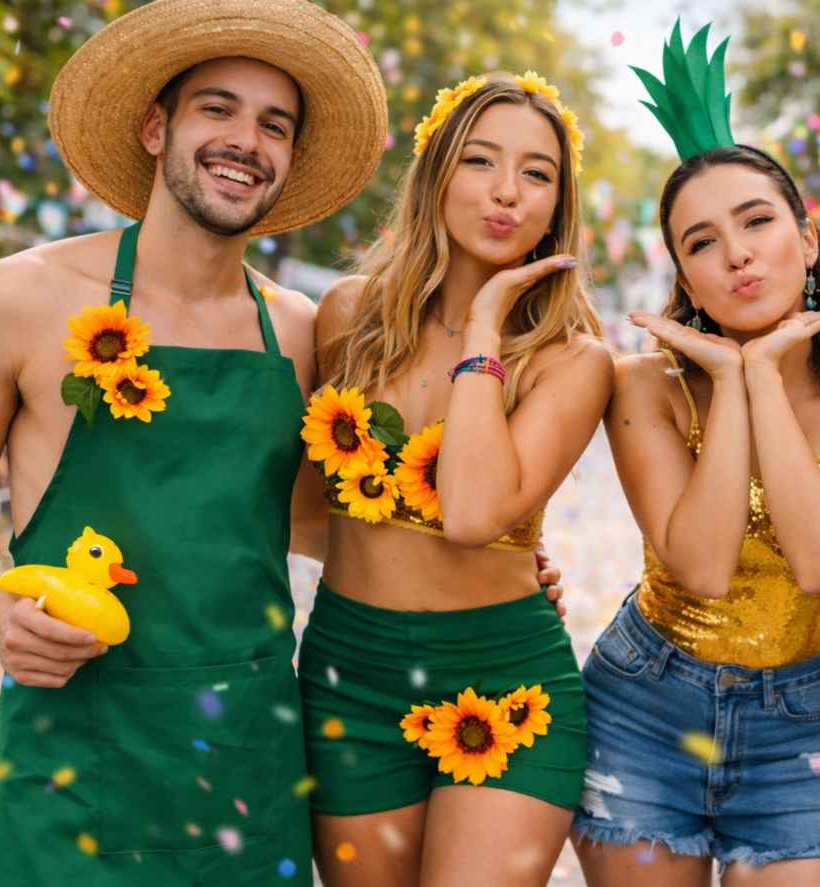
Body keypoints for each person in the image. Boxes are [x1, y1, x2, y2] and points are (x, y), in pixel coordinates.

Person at [0, 1, 391, 882]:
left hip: (245, 758)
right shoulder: (20, 296)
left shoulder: (298, 332)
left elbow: (308, 525)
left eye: (274, 125)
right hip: (71, 756)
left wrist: (481, 559)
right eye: (218, 108)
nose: (246, 140)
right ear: (153, 126)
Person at [570, 23, 820, 886]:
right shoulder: (643, 386)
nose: (734, 253)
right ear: (684, 279)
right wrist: (731, 380)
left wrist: (760, 374)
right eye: (700, 242)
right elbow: (697, 563)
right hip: (641, 706)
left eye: (756, 222)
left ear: (806, 241)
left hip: (803, 726)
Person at [297, 71, 612, 887]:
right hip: (348, 671)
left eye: (537, 173)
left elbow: (472, 515)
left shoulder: (570, 361)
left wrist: (483, 327)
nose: (507, 192)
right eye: (479, 161)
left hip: (504, 683)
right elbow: (301, 512)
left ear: (557, 203)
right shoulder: (344, 318)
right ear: (435, 174)